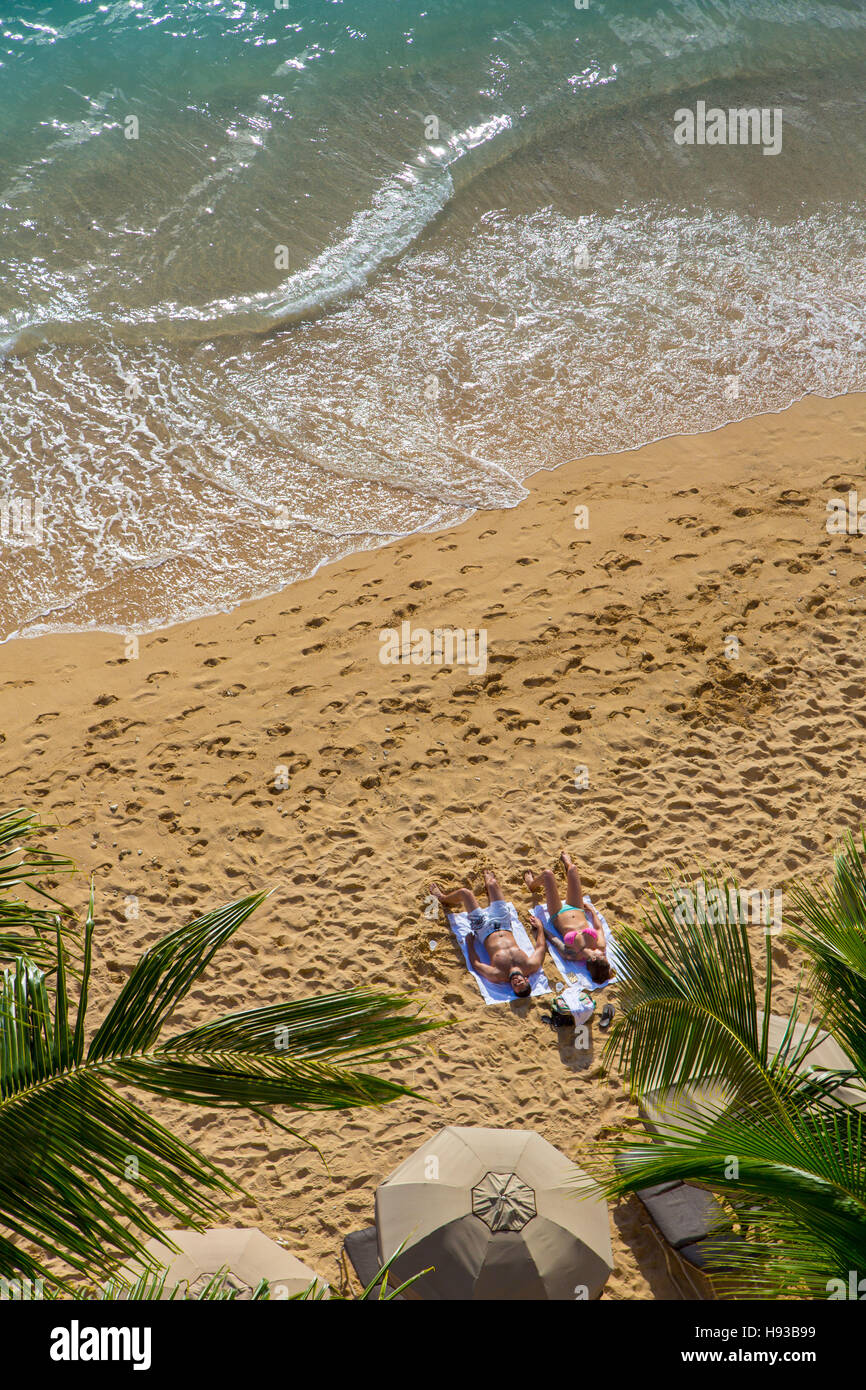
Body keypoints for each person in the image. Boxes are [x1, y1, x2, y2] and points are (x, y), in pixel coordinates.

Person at [430, 868, 546, 998]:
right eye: (521, 983)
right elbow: (541, 946)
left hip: (483, 928)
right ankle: (488, 887)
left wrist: (469, 944)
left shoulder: (497, 975)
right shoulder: (531, 965)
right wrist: (540, 927)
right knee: (492, 883)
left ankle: (442, 898)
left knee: (465, 893)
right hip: (503, 923)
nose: (516, 982)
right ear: (526, 980)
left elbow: (476, 964)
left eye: (515, 985)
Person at [523, 850, 613, 984]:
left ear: (594, 959)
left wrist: (541, 927)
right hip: (577, 907)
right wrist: (592, 912)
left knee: (548, 874)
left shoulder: (572, 955)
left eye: (603, 957)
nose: (605, 954)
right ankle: (567, 863)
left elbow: (554, 940)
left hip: (557, 913)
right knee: (572, 869)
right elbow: (598, 927)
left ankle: (532, 885)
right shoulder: (600, 946)